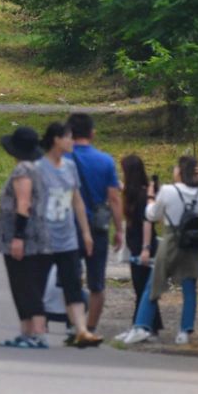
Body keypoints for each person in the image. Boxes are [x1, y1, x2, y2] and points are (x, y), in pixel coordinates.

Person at [122, 156, 198, 345]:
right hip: (192, 244)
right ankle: (184, 331)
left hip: (171, 240)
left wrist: (151, 197)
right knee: (189, 288)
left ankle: (142, 326)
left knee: (154, 284)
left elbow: (151, 214)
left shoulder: (168, 191)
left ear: (180, 171)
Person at [37, 122, 102, 348]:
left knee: (72, 283)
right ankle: (38, 328)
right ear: (56, 140)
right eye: (68, 138)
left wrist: (85, 232)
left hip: (67, 237)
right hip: (43, 238)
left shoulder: (70, 167)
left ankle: (81, 330)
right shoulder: (39, 168)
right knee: (40, 283)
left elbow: (77, 200)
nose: (71, 142)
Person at [65, 113, 123, 333]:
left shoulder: (63, 159)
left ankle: (74, 324)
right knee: (97, 283)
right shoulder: (106, 161)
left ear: (69, 133)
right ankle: (90, 328)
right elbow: (114, 198)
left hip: (69, 227)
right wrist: (119, 229)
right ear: (92, 133)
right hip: (98, 229)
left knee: (71, 279)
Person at [0, 127, 52, 348]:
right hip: (36, 233)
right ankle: (27, 332)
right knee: (22, 282)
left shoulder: (23, 171)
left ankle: (37, 332)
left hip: (25, 236)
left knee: (25, 283)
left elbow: (23, 204)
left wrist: (18, 237)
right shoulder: (38, 169)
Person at [115, 154, 163, 341]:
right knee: (142, 287)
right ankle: (148, 325)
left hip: (144, 245)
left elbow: (147, 223)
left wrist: (145, 248)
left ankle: (141, 325)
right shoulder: (136, 193)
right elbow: (124, 188)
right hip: (136, 244)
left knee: (142, 288)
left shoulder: (143, 196)